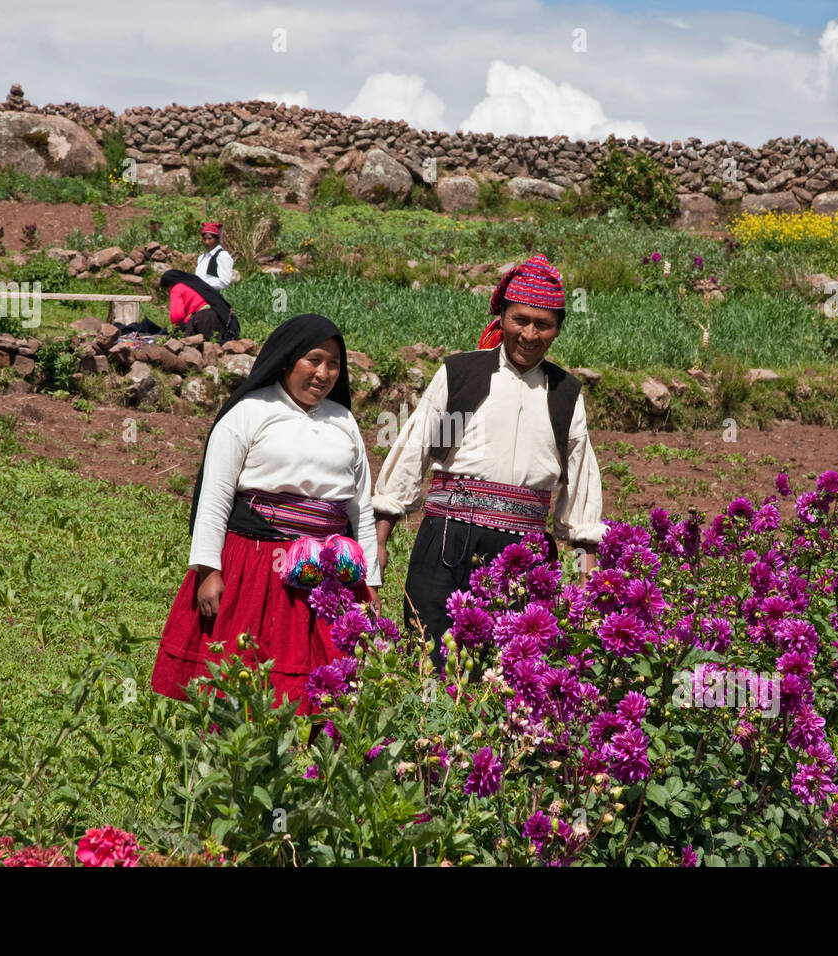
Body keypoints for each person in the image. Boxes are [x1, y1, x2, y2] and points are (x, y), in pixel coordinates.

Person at [371, 254, 606, 666]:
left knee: (511, 672)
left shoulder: (565, 393)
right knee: (433, 660)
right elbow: (416, 448)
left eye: (543, 324)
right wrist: (380, 537)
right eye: (520, 320)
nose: (530, 334)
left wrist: (585, 561)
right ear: (502, 317)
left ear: (558, 329)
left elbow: (580, 477)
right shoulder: (462, 374)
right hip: (448, 541)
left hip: (525, 553)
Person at [150, 313, 381, 713]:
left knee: (332, 686)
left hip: (331, 576)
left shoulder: (343, 420)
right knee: (250, 678)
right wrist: (208, 570)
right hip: (258, 565)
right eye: (313, 360)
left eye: (334, 364)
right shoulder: (249, 412)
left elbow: (360, 507)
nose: (323, 373)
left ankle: (314, 763)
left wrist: (371, 582)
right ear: (288, 360)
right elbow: (215, 494)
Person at [194, 222, 234, 293]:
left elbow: (224, 282)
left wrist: (202, 284)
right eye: (204, 239)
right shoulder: (201, 258)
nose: (207, 242)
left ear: (217, 239)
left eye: (210, 239)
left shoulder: (222, 256)